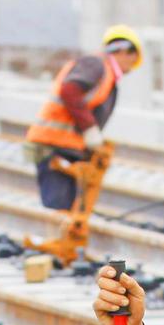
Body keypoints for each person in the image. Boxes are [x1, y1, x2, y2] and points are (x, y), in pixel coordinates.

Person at [23, 24, 141, 211]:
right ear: (124, 51)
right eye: (133, 61)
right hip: (55, 145)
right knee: (58, 208)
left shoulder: (104, 73)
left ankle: (59, 238)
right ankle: (54, 239)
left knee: (66, 209)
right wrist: (89, 128)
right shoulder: (95, 65)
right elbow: (70, 91)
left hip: (65, 147)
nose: (131, 69)